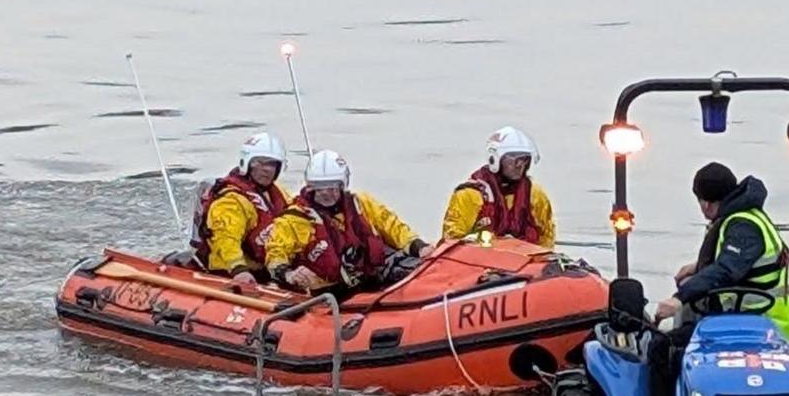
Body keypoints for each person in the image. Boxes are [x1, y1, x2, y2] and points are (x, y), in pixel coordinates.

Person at [648, 162, 789, 396]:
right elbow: (742, 262)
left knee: (662, 347)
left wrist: (678, 299)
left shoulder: (742, 226)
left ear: (705, 203)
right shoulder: (749, 216)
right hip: (756, 321)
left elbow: (726, 270)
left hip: (762, 327)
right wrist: (697, 267)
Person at [260, 149, 427, 296]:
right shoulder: (294, 220)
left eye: (332, 187)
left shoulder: (361, 204)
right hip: (329, 291)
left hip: (369, 277)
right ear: (311, 187)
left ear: (342, 185)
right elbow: (275, 254)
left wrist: (419, 246)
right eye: (320, 187)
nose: (326, 193)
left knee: (417, 268)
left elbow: (393, 226)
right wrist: (289, 274)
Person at [191, 131, 290, 288]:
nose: (266, 169)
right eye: (260, 163)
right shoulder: (231, 201)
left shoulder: (279, 194)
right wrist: (239, 269)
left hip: (269, 269)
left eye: (272, 164)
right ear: (247, 163)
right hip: (231, 272)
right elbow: (225, 238)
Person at [442, 127, 555, 246]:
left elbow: (546, 238)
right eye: (515, 160)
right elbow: (451, 242)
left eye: (525, 160)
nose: (520, 165)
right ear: (495, 159)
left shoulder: (535, 195)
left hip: (524, 259)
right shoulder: (469, 195)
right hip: (481, 260)